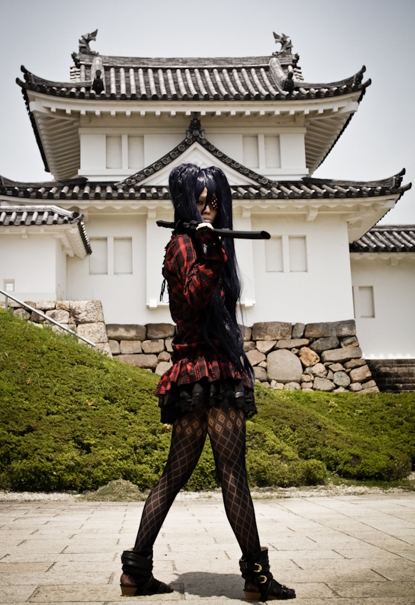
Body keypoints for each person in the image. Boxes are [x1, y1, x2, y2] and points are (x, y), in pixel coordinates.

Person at [120, 163, 296, 602]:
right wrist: (212, 249)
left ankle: (135, 572)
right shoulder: (183, 245)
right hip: (206, 371)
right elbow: (195, 300)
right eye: (199, 199)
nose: (207, 207)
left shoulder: (202, 242)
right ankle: (257, 578)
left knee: (179, 473)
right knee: (229, 471)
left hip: (205, 369)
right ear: (184, 201)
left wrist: (213, 245)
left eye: (213, 199)